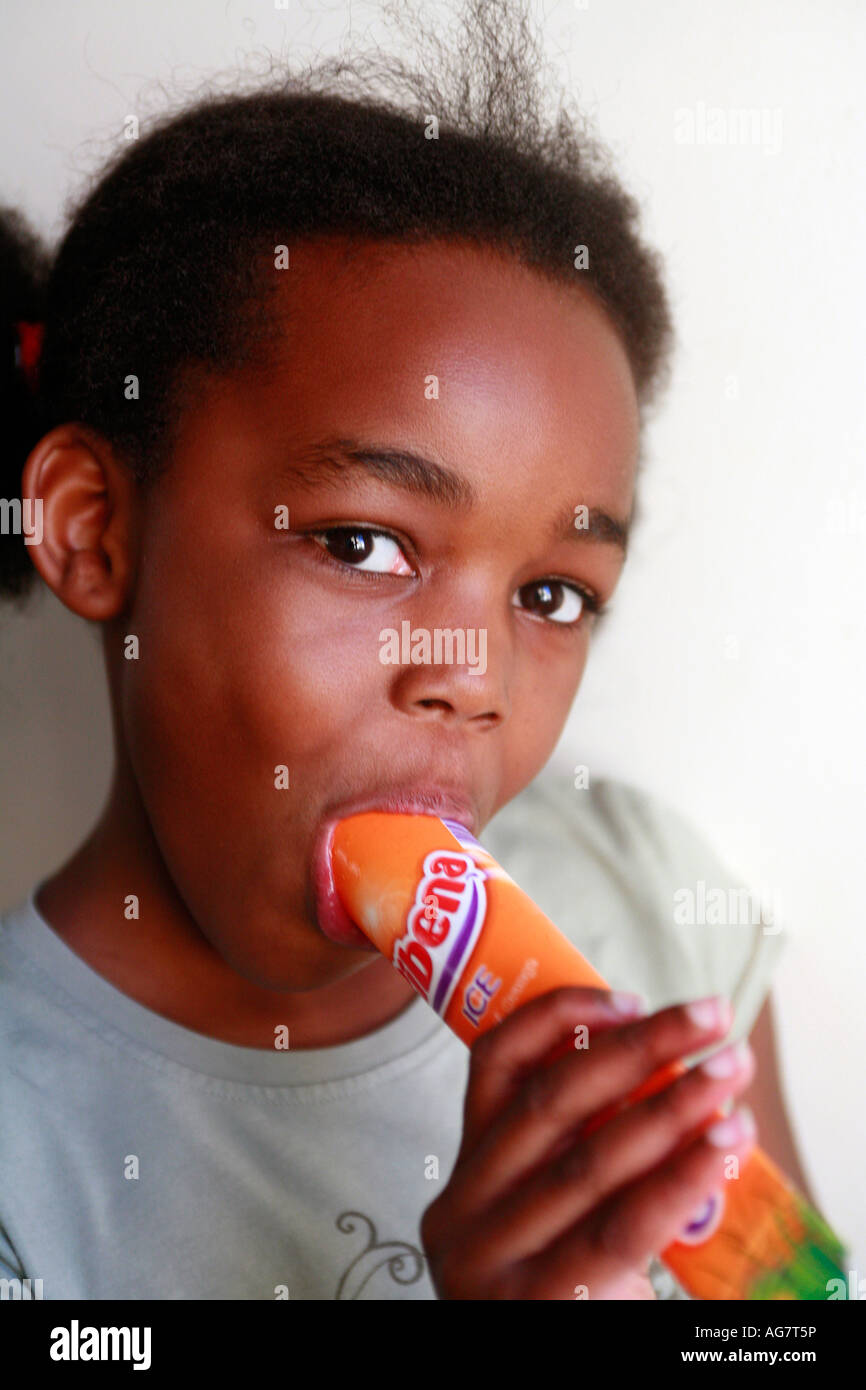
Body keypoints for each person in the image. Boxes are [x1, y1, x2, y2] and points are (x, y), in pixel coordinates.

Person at [0, 0, 817, 1300]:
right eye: (364, 546)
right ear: (95, 530)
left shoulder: (642, 901)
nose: (473, 677)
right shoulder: (26, 1156)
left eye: (551, 593)